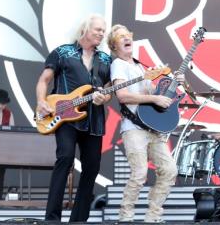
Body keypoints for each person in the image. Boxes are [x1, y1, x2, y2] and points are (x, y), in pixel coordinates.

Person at [35, 14, 112, 222]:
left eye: (103, 31)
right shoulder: (63, 52)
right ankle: (52, 218)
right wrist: (41, 101)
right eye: (98, 29)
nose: (101, 33)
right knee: (65, 158)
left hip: (94, 120)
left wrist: (103, 97)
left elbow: (107, 90)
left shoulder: (105, 59)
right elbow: (44, 80)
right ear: (85, 29)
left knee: (92, 167)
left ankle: (79, 219)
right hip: (64, 117)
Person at [107, 24, 180, 222]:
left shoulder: (140, 65)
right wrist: (154, 99)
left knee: (170, 170)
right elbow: (122, 96)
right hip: (133, 128)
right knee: (139, 173)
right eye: (120, 37)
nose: (126, 38)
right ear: (114, 46)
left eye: (127, 35)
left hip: (153, 128)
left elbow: (154, 92)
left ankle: (153, 215)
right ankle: (125, 217)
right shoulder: (118, 65)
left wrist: (173, 83)